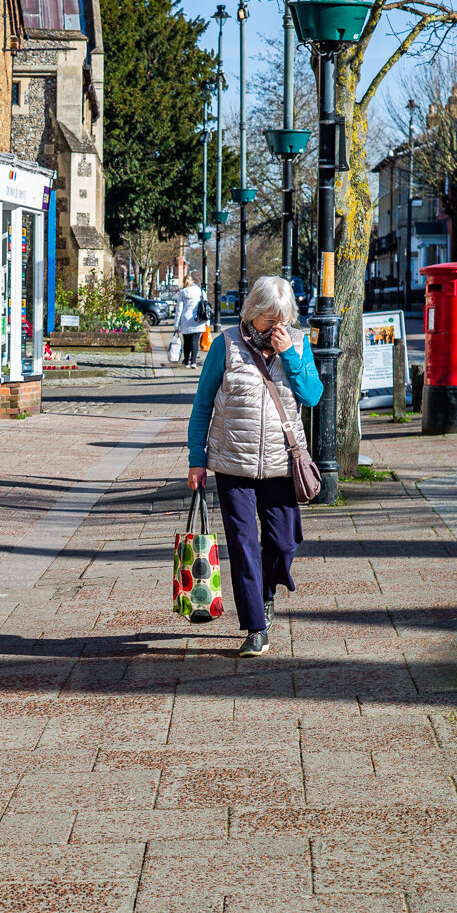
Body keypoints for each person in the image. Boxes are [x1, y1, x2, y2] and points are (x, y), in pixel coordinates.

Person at [186, 275, 321, 657]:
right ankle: (255, 628)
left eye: (281, 318)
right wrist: (197, 460)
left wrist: (291, 356)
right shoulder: (225, 344)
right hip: (233, 465)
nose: (275, 326)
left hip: (282, 464)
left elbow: (312, 395)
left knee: (283, 541)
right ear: (254, 312)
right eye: (268, 318)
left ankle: (267, 591)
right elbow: (202, 405)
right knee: (244, 546)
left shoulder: (297, 343)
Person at [174, 273, 208, 367]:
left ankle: (186, 361)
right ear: (192, 281)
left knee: (187, 341)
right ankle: (193, 362)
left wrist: (176, 325)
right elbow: (206, 307)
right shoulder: (200, 291)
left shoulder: (183, 292)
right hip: (198, 319)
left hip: (186, 319)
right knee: (195, 341)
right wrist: (207, 322)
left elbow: (179, 310)